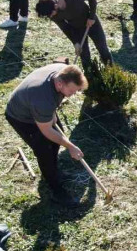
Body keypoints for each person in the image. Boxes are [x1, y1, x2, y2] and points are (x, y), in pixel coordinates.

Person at [5, 64, 87, 206]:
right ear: (60, 83)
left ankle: (54, 171)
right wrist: (70, 146)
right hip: (22, 117)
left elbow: (53, 104)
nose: (73, 95)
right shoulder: (42, 99)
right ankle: (56, 190)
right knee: (45, 150)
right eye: (72, 91)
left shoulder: (63, 71)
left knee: (56, 139)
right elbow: (47, 131)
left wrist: (53, 114)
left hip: (39, 108)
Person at [35, 0, 112, 68]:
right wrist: (75, 43)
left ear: (55, 6)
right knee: (84, 55)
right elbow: (66, 28)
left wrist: (91, 17)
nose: (50, 16)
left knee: (102, 48)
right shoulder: (53, 15)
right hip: (77, 28)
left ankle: (111, 70)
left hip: (92, 23)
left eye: (50, 14)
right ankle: (89, 75)